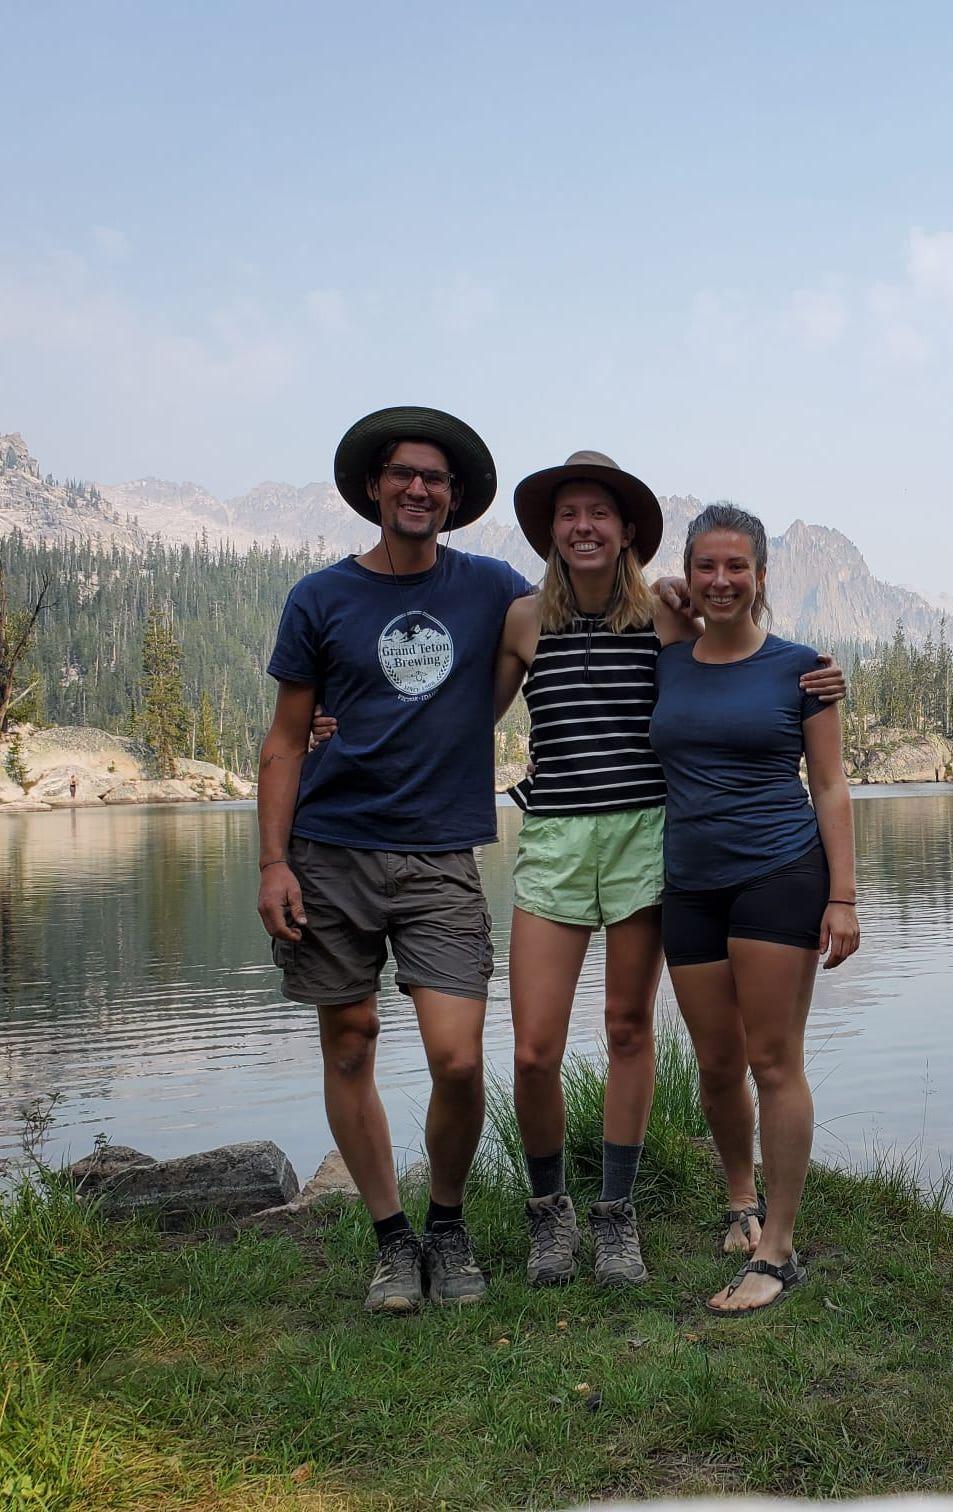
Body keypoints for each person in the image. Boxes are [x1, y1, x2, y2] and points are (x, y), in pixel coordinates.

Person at [497, 453, 846, 1288]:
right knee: (538, 1049)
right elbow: (463, 714)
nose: (584, 526)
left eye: (601, 513)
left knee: (635, 1029)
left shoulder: (663, 617)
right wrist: (345, 726)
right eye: (569, 512)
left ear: (626, 533)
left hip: (658, 844)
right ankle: (558, 1216)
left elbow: (734, 662)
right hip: (571, 844)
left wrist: (818, 683)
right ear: (551, 527)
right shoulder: (518, 619)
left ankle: (624, 1221)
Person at [256, 406, 533, 1315]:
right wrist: (272, 864)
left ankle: (446, 1226)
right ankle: (390, 1239)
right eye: (404, 475)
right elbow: (286, 742)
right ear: (375, 488)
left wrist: (688, 614)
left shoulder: (491, 584)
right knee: (350, 1044)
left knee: (457, 1061)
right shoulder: (320, 598)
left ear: (454, 500)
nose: (420, 489)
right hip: (329, 851)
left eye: (437, 479)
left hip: (441, 856)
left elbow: (583, 604)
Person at [650, 502, 860, 1314]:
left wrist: (843, 897)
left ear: (763, 577)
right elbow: (627, 588)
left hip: (779, 872)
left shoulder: (803, 669)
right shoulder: (670, 655)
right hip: (690, 881)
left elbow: (832, 787)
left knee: (773, 1061)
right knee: (714, 1063)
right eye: (706, 566)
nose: (721, 580)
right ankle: (740, 1200)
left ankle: (777, 1247)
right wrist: (670, 589)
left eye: (737, 567)